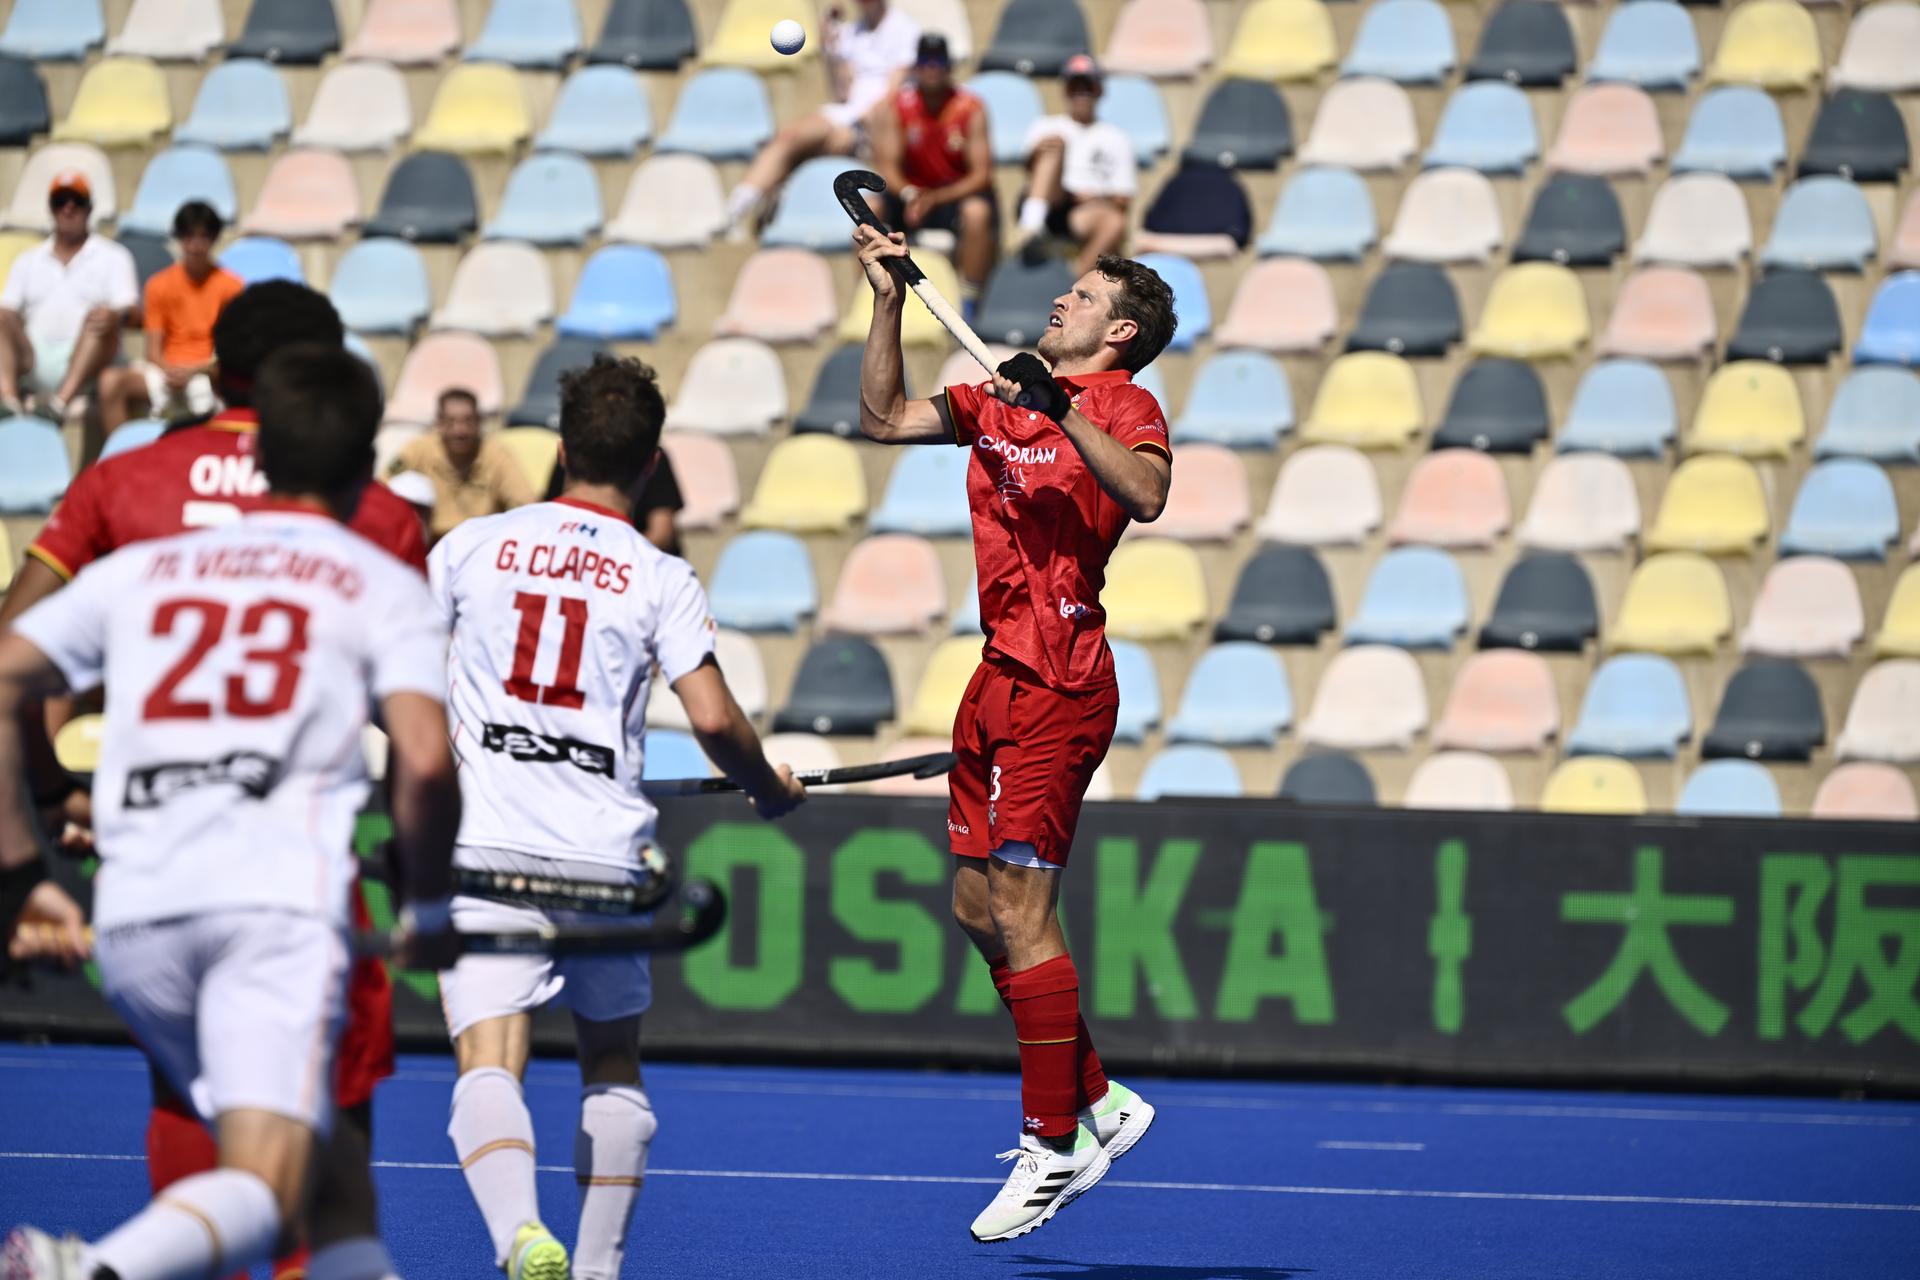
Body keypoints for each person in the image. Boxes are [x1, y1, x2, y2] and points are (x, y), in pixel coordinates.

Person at [0, 342, 461, 1280]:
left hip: (133, 923)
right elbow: (422, 757)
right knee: (267, 1184)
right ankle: (82, 1271)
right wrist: (430, 907)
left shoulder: (151, 568)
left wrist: (17, 874)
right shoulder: (377, 582)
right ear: (367, 464)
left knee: (332, 1186)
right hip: (270, 915)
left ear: (258, 459)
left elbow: (3, 673)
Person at [429, 353, 806, 1279]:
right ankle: (596, 1271)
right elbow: (713, 718)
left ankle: (521, 1236)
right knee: (612, 1065)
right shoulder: (659, 575)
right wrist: (767, 787)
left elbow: (387, 674)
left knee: (489, 1061)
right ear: (646, 468)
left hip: (486, 850)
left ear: (560, 451)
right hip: (605, 857)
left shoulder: (470, 547)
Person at [853, 223, 1176, 1241]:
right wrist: (891, 300)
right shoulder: (1002, 384)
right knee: (972, 904)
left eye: (1082, 297)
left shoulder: (1125, 405)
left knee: (1024, 907)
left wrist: (1064, 413)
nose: (1061, 301)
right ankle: (1103, 1098)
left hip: (1062, 677)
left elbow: (1149, 493)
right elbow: (885, 418)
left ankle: (1054, 1142)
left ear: (1119, 328)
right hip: (993, 675)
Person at [723, 0, 920, 235]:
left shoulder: (905, 29)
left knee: (800, 151)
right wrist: (831, 52)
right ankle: (736, 209)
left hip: (875, 122)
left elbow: (891, 94)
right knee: (790, 136)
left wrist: (863, 125)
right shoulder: (852, 32)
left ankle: (757, 201)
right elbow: (842, 93)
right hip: (848, 114)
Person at [0, 173, 137, 423]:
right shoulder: (27, 259)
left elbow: (129, 310)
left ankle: (60, 403)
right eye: (60, 201)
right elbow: (7, 311)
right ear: (51, 209)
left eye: (77, 201)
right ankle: (9, 400)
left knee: (99, 316)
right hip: (33, 360)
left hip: (89, 360)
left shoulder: (115, 255)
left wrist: (113, 316)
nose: (68, 208)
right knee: (1, 315)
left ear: (90, 208)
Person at [97, 200, 244, 433]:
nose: (195, 246)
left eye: (203, 237)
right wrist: (171, 371)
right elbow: (153, 350)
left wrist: (195, 371)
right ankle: (120, 459)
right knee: (110, 382)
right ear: (179, 238)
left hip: (209, 373)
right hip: (165, 372)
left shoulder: (232, 286)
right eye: (188, 236)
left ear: (214, 239)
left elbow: (228, 353)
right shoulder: (159, 284)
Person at [868, 34, 997, 294]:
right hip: (911, 194)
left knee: (977, 213)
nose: (932, 67)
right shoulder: (900, 106)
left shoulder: (970, 108)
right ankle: (868, 292)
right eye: (926, 60)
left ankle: (970, 296)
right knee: (869, 210)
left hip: (952, 196)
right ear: (916, 66)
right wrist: (911, 194)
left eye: (939, 60)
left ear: (949, 65)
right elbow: (887, 165)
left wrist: (935, 198)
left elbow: (981, 175)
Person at [1015, 56, 1137, 276]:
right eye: (1074, 87)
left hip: (1084, 211)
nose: (1081, 94)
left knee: (1116, 222)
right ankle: (1031, 226)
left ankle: (1078, 281)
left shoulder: (1117, 138)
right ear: (1065, 90)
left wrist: (1090, 198)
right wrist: (1040, 149)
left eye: (1087, 87)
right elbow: (1029, 170)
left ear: (1099, 90)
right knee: (1055, 144)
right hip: (1051, 198)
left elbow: (1123, 198)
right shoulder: (1046, 125)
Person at [387, 387, 536, 543]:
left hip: (479, 546)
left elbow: (527, 504)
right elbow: (383, 488)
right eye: (451, 421)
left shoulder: (496, 455)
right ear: (439, 423)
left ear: (479, 422)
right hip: (429, 544)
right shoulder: (418, 449)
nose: (459, 430)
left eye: (468, 421)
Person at [544, 445, 685, 557]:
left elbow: (662, 534)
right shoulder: (574, 453)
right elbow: (547, 521)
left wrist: (610, 560)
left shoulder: (648, 456)